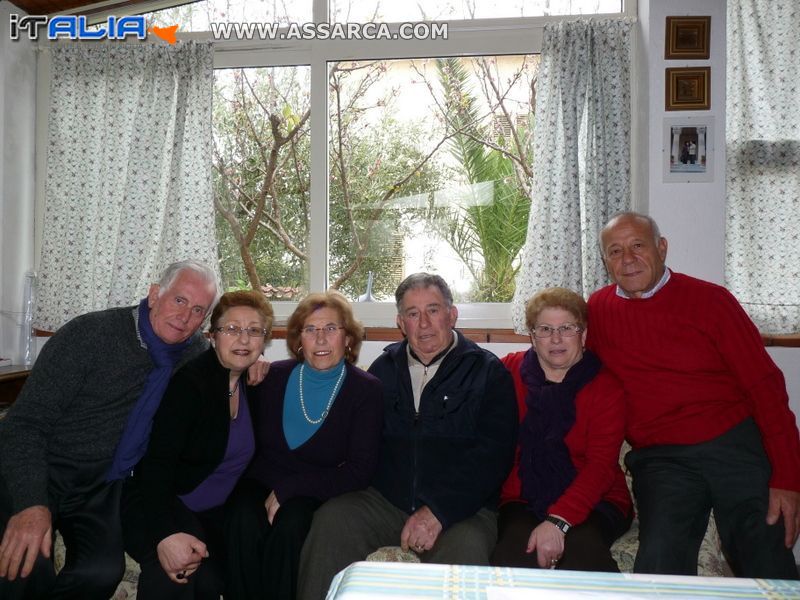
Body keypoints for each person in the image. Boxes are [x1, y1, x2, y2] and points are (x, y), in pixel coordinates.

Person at [588, 211, 800, 579]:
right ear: (605, 261)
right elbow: (568, 365)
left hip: (732, 444)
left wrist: (788, 478)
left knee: (764, 544)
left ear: (661, 247)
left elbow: (766, 388)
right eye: (615, 251)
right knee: (659, 556)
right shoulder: (599, 310)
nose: (628, 259)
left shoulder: (711, 302)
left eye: (638, 245)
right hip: (661, 458)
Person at [0, 260, 220, 599]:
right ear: (154, 295)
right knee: (29, 563)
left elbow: (226, 371)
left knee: (101, 570)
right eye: (179, 300)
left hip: (102, 485)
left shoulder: (193, 353)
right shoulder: (90, 334)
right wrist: (31, 503)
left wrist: (254, 368)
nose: (185, 316)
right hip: (45, 465)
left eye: (198, 310)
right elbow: (25, 422)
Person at [297, 273, 518, 600]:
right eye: (413, 314)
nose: (424, 323)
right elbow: (349, 430)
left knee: (467, 549)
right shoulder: (382, 370)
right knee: (332, 521)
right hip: (386, 501)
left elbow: (493, 456)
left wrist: (438, 511)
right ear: (401, 323)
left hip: (462, 508)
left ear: (452, 315)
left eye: (433, 310)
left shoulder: (487, 372)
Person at [225, 291, 383, 600]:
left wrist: (291, 488)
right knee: (242, 517)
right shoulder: (270, 377)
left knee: (292, 525)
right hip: (259, 479)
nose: (320, 339)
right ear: (299, 339)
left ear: (348, 338)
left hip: (316, 486)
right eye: (311, 330)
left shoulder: (366, 391)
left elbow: (360, 471)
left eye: (331, 329)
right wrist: (244, 370)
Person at [120, 289, 274, 599]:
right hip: (162, 501)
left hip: (211, 512)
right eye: (232, 329)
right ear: (212, 335)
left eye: (254, 331)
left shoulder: (255, 383)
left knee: (224, 578)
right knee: (183, 574)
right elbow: (156, 465)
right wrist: (165, 532)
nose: (243, 340)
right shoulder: (190, 385)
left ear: (264, 340)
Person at [491, 287, 632, 572]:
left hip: (597, 499)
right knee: (515, 554)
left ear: (583, 333)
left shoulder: (606, 388)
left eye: (566, 328)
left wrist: (559, 520)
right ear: (532, 335)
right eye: (545, 329)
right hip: (522, 496)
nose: (556, 339)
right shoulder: (508, 372)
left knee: (583, 551)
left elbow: (600, 468)